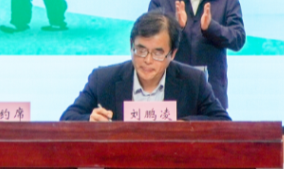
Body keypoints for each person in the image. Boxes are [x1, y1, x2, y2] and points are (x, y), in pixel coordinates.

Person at [60, 11, 230, 122]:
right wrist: (89, 119)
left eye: (157, 53)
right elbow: (67, 119)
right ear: (131, 46)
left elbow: (223, 122)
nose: (147, 60)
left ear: (172, 53)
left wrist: (184, 124)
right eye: (140, 50)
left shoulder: (193, 81)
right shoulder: (103, 79)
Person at [148, 0, 244, 109]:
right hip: (168, 91)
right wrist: (175, 26)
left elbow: (238, 40)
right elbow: (150, 42)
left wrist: (211, 27)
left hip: (212, 92)